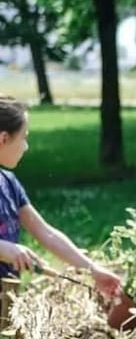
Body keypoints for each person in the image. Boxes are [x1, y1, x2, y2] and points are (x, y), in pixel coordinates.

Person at [0, 95, 121, 300]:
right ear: (3, 139)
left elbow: (46, 234)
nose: (26, 146)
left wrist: (92, 269)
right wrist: (4, 248)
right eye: (24, 137)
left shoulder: (8, 183)